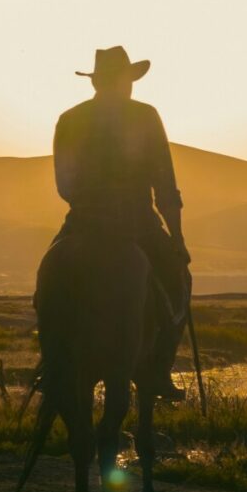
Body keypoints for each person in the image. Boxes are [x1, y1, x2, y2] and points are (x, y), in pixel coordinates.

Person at [51, 45, 191, 400]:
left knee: (48, 283)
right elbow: (165, 187)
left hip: (81, 223)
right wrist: (178, 240)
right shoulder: (145, 116)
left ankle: (53, 362)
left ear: (96, 82)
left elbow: (64, 186)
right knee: (179, 280)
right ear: (126, 81)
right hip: (136, 224)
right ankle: (158, 372)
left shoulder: (69, 119)